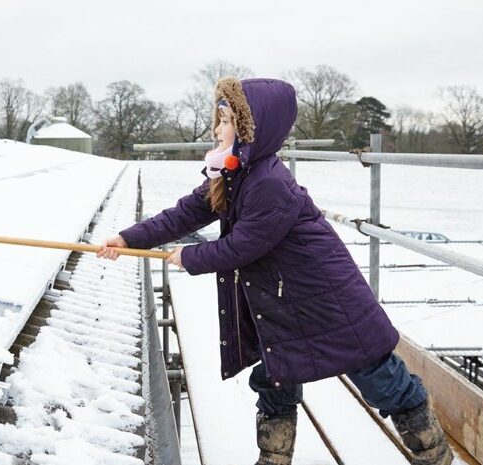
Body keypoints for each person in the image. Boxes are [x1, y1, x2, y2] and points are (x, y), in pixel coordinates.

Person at [97, 77, 453, 465]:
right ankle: (274, 458)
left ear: (252, 129)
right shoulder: (232, 173)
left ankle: (434, 456)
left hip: (328, 300)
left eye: (227, 121)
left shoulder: (269, 183)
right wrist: (128, 239)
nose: (217, 130)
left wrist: (191, 257)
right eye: (218, 119)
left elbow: (243, 246)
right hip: (284, 300)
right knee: (274, 376)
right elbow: (185, 214)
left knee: (378, 378)